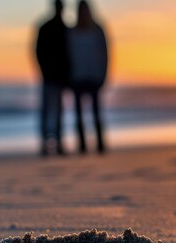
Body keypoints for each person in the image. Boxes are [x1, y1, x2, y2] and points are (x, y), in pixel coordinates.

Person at [69, 0, 109, 154]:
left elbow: (105, 54)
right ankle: (82, 145)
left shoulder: (97, 30)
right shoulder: (72, 31)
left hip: (94, 76)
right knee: (79, 114)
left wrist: (103, 74)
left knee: (96, 112)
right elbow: (68, 55)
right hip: (77, 77)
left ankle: (100, 144)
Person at [36, 0, 70, 156]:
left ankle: (57, 142)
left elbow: (71, 55)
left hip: (60, 77)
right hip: (50, 76)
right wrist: (43, 70)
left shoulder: (65, 29)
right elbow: (38, 52)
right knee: (49, 110)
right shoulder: (48, 28)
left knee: (57, 110)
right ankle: (46, 142)